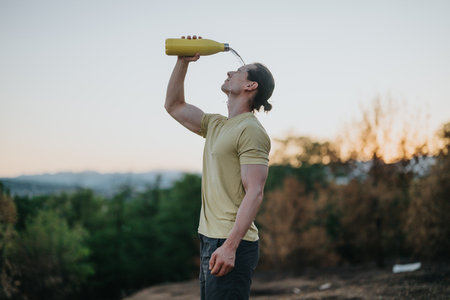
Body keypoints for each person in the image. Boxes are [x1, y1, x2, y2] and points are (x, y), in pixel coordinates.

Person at [164, 35, 275, 300]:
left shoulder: (251, 130)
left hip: (230, 242)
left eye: (237, 71)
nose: (229, 72)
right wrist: (183, 62)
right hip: (210, 238)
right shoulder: (216, 125)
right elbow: (174, 106)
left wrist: (230, 246)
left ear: (251, 85)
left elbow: (255, 192)